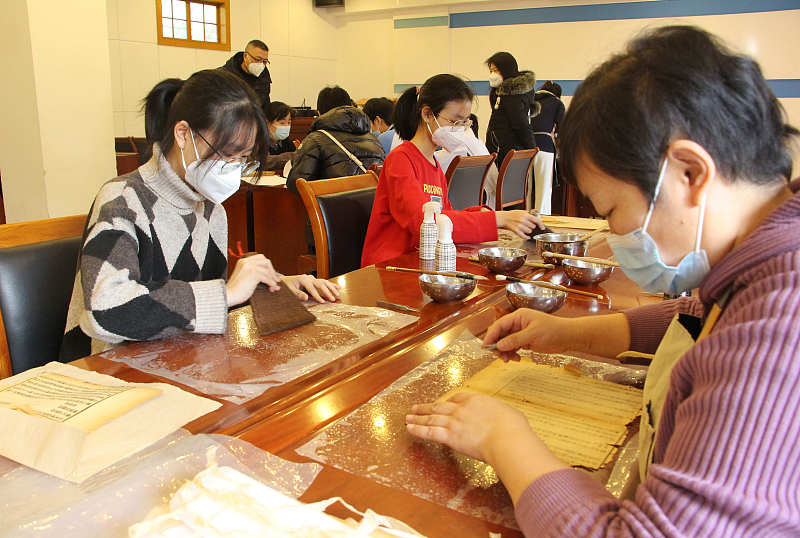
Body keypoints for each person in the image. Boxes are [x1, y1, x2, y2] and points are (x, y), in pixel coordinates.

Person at [406, 26, 800, 536]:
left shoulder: (780, 322)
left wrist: (505, 440)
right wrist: (567, 334)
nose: (614, 233)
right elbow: (700, 316)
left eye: (613, 210)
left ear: (690, 173)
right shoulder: (763, 263)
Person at [60, 70, 339, 360]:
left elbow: (197, 310)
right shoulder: (123, 199)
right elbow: (106, 311)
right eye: (226, 154)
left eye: (242, 159)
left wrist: (273, 285)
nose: (233, 168)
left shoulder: (210, 208)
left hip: (181, 360)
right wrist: (228, 293)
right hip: (114, 371)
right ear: (183, 134)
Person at [361, 74, 545, 267]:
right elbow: (425, 223)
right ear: (427, 115)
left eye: (465, 122)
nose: (461, 130)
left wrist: (480, 213)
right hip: (391, 266)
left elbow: (445, 213)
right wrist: (499, 218)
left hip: (422, 259)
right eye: (455, 122)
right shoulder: (400, 160)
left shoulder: (433, 163)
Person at [286, 86, 384, 194]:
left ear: (318, 113)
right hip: (372, 207)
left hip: (335, 207)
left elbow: (295, 185)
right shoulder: (374, 140)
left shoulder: (315, 139)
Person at [485, 52, 537, 173]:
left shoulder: (511, 94)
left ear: (507, 69)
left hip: (506, 150)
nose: (493, 75)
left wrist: (531, 148)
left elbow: (520, 123)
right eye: (491, 71)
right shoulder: (501, 92)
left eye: (496, 70)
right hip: (505, 149)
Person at [530, 81, 565, 214]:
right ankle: (542, 219)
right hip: (545, 147)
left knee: (526, 190)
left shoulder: (530, 101)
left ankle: (525, 218)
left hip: (525, 148)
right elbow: (562, 128)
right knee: (543, 187)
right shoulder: (556, 103)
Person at [221, 39, 271, 111]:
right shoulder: (225, 76)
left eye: (264, 61)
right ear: (245, 56)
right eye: (257, 59)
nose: (261, 64)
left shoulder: (264, 78)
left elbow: (265, 105)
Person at [263, 101, 296, 172]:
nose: (286, 126)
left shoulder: (287, 142)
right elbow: (264, 162)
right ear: (267, 123)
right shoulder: (258, 141)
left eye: (289, 122)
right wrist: (290, 156)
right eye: (282, 123)